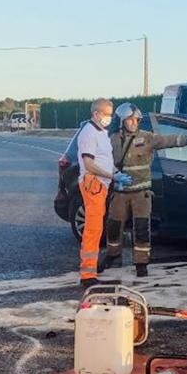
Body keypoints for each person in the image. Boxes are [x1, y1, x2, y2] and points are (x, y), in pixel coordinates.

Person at [104, 103, 187, 277]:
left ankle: (141, 264)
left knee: (142, 228)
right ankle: (113, 256)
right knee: (113, 226)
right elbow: (103, 159)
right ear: (121, 121)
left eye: (136, 119)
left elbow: (168, 140)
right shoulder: (112, 139)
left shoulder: (148, 138)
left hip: (141, 194)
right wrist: (114, 176)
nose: (134, 122)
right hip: (119, 193)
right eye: (130, 119)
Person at [77, 98, 122, 288]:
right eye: (106, 114)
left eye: (110, 114)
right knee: (93, 230)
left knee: (96, 229)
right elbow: (89, 164)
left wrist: (117, 174)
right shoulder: (89, 133)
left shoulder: (101, 133)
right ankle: (87, 274)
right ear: (96, 114)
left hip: (100, 184)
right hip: (93, 183)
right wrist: (111, 175)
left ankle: (91, 267)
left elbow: (105, 159)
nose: (109, 118)